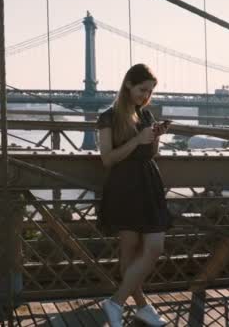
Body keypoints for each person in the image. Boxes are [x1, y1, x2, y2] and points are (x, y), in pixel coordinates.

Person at [96, 63, 172, 327]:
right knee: (129, 250)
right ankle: (142, 307)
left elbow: (151, 155)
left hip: (148, 184)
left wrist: (154, 139)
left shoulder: (147, 116)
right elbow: (107, 159)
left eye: (150, 92)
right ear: (128, 83)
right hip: (124, 187)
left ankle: (115, 302)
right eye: (142, 89)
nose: (145, 96)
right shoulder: (107, 117)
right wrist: (137, 141)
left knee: (154, 247)